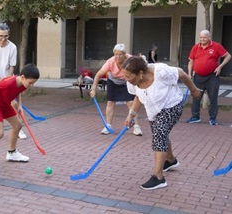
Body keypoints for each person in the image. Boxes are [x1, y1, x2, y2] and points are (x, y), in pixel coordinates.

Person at [122, 56, 201, 190]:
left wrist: (194, 90)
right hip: (154, 110)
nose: (126, 79)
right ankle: (170, 161)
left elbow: (181, 73)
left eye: (128, 76)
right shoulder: (133, 82)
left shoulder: (161, 72)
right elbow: (138, 96)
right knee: (161, 134)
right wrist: (131, 114)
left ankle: (158, 177)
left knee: (159, 134)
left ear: (140, 73)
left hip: (172, 105)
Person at [0, 64, 40, 176]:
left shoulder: (24, 83)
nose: (31, 85)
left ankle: (11, 153)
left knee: (18, 126)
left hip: (5, 105)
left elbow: (19, 91)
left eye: (33, 83)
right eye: (30, 82)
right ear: (23, 77)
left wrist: (19, 105)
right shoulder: (8, 82)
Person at [0, 23, 27, 140]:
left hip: (7, 79)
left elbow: (12, 66)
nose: (3, 39)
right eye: (1, 36)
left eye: (6, 36)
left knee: (14, 103)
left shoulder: (12, 47)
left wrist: (8, 79)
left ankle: (18, 128)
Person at [90, 44, 143, 136]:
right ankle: (108, 125)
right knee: (110, 103)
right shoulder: (110, 62)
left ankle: (137, 126)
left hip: (127, 81)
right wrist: (93, 89)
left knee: (131, 102)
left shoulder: (130, 60)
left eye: (120, 54)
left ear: (125, 54)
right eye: (116, 54)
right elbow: (98, 75)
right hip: (113, 81)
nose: (118, 56)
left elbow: (140, 71)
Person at [186, 30, 231, 125]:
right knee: (196, 97)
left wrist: (220, 67)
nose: (202, 39)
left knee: (213, 98)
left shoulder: (216, 46)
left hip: (212, 77)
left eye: (204, 37)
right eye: (201, 37)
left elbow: (228, 56)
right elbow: (191, 62)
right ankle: (195, 117)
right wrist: (189, 74)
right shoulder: (195, 47)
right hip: (198, 77)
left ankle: (213, 119)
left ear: (209, 37)